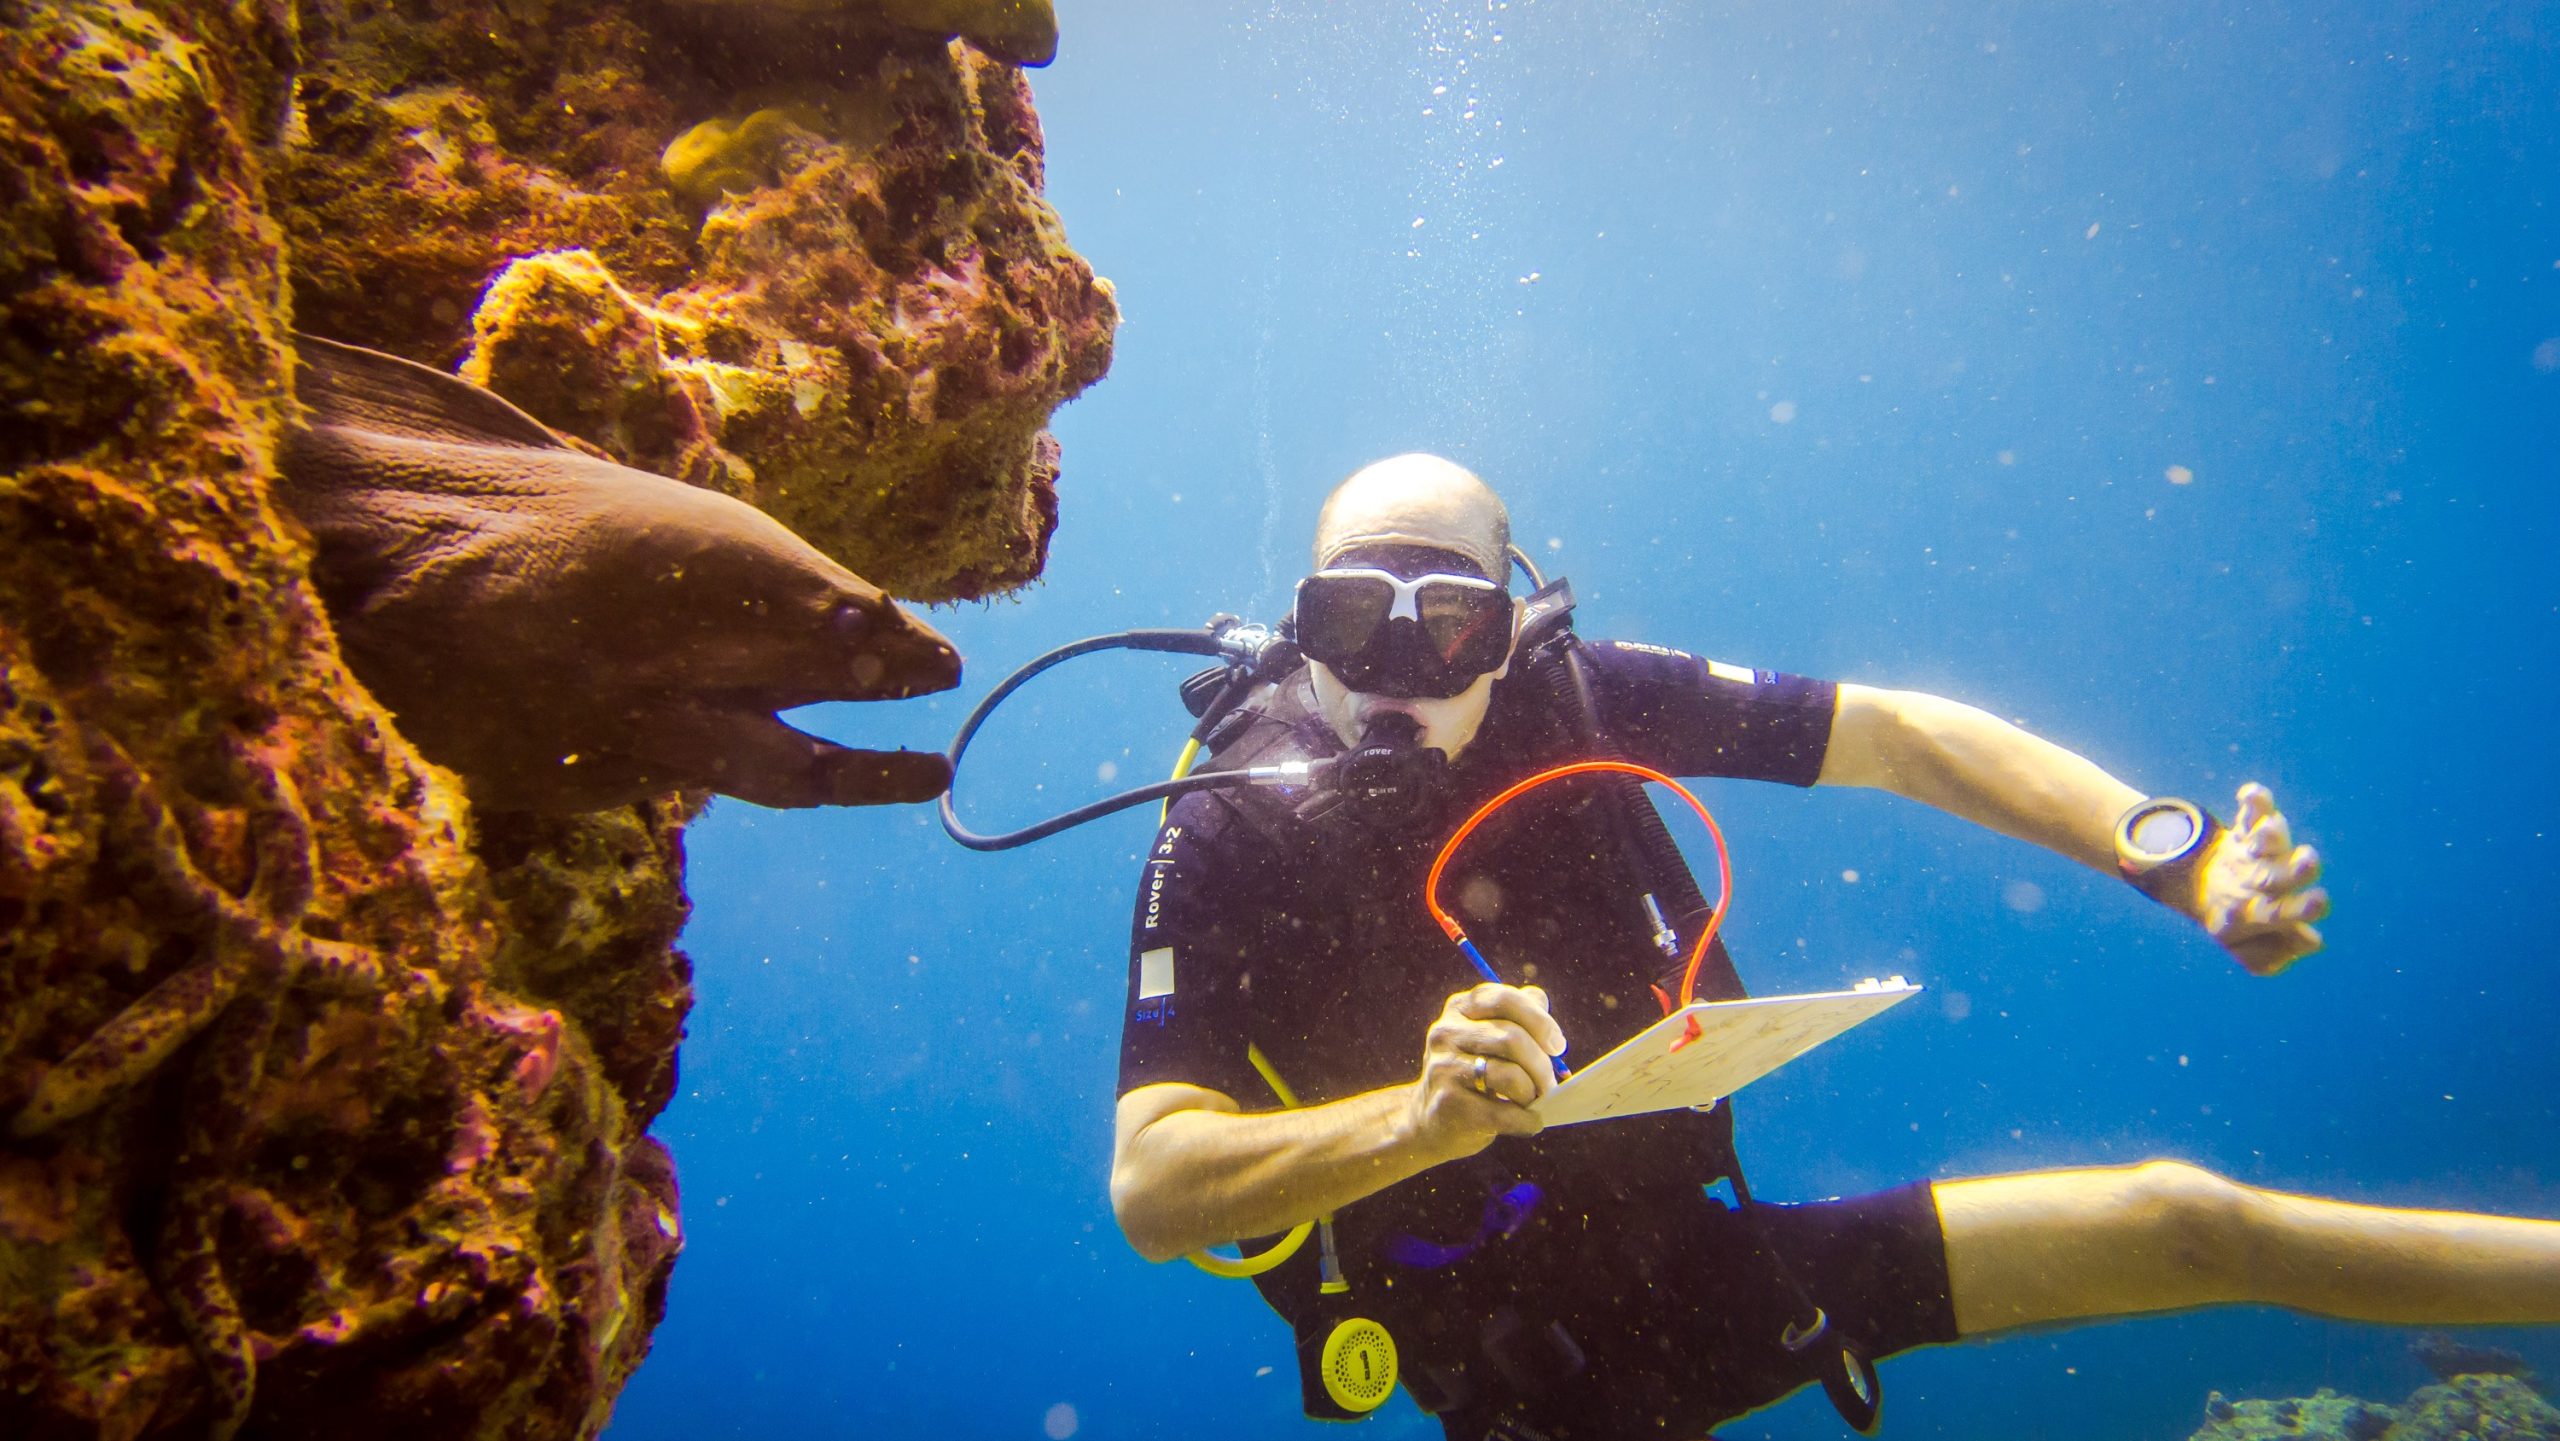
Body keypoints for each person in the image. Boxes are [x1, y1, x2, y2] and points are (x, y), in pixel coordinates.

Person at [1108, 453, 2560, 1441]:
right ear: (1296, 629)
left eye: (1450, 627)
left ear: (1518, 626)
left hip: (1700, 1260)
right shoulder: (1238, 811)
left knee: (2188, 1219)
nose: (1393, 682)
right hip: (1500, 1359)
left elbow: (1902, 736)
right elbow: (1154, 1182)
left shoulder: (1582, 699)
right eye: (1350, 621)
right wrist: (1415, 1123)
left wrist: (2170, 854)